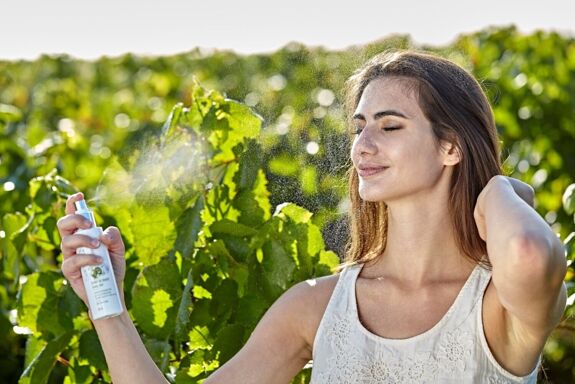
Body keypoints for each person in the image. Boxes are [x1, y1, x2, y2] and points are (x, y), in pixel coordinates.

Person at [57, 50, 567, 383]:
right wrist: (107, 303)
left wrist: (500, 186)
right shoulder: (316, 307)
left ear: (450, 146)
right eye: (359, 127)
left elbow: (526, 250)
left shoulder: (495, 305)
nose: (363, 145)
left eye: (389, 127)